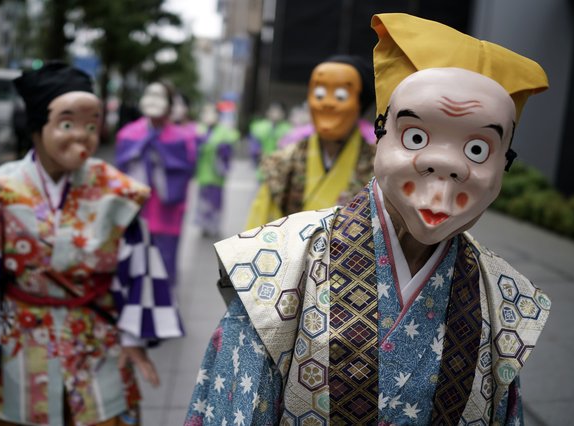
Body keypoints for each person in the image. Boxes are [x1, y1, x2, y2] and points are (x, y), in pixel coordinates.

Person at [185, 13, 551, 425]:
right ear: (381, 133)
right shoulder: (275, 268)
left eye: (478, 150)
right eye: (416, 136)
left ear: (506, 163)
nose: (446, 165)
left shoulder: (505, 299)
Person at [0, 62, 183, 425]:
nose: (83, 136)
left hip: (99, 344)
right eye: (66, 124)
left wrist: (134, 339)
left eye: (91, 126)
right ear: (35, 127)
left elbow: (139, 269)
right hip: (21, 347)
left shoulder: (117, 193)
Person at [245, 55, 377, 229]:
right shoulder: (282, 162)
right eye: (320, 94)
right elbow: (258, 227)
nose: (327, 103)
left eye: (340, 95)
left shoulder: (378, 167)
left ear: (360, 103)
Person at [116, 81, 197, 287]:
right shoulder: (128, 133)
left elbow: (187, 170)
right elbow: (120, 173)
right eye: (149, 94)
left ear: (170, 104)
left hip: (167, 212)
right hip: (136, 211)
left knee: (164, 262)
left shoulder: (183, 137)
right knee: (134, 261)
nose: (153, 100)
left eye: (159, 96)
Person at [194, 103, 241, 238]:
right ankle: (204, 225)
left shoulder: (225, 131)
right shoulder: (200, 129)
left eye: (211, 113)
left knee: (216, 200)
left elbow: (231, 143)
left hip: (216, 173)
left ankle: (214, 225)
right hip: (203, 172)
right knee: (203, 200)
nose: (208, 116)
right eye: (206, 113)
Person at [247, 102, 292, 169]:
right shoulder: (258, 127)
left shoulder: (288, 128)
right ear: (268, 112)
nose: (275, 114)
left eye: (278, 112)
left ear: (283, 114)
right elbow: (254, 147)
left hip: (281, 165)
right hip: (262, 163)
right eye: (273, 111)